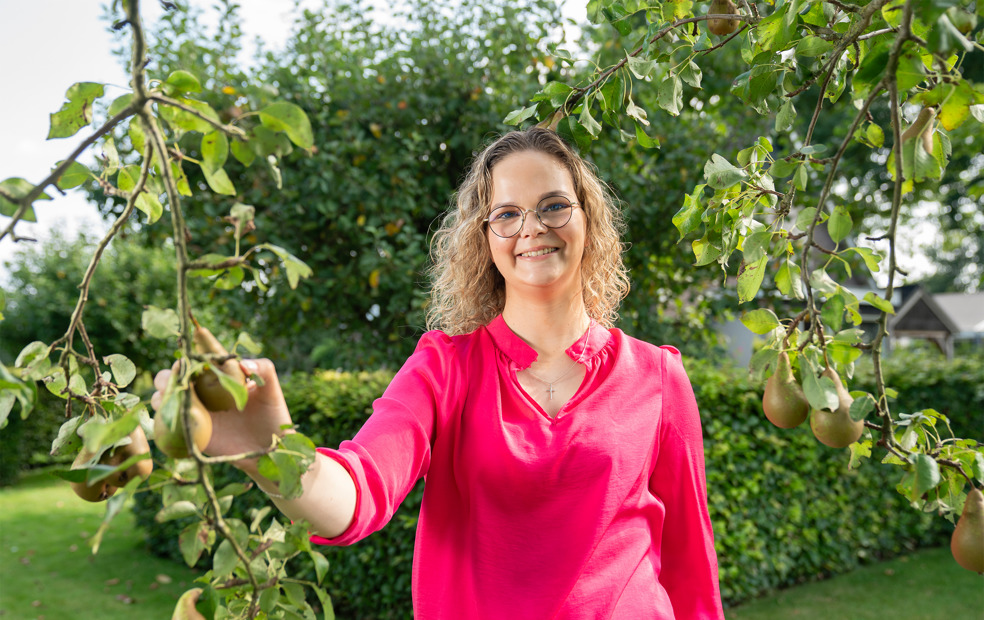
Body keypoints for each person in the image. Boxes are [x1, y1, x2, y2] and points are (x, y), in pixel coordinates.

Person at [152, 127, 725, 619]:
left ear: (588, 219)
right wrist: (271, 453)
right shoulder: (444, 369)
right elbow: (359, 492)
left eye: (553, 205)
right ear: (485, 239)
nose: (532, 227)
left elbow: (691, 568)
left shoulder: (657, 376)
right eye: (507, 214)